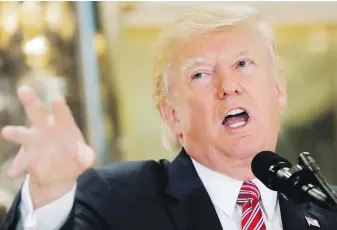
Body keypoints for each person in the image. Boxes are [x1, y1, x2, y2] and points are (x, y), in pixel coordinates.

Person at [1, 5, 337, 230]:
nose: (228, 86)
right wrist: (50, 196)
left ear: (278, 89)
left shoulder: (325, 207)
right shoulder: (117, 198)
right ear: (171, 115)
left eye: (242, 64)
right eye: (200, 75)